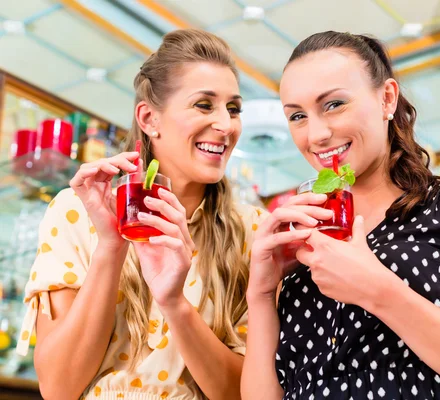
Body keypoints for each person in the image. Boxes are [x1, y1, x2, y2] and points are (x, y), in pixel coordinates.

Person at [242, 31, 440, 400]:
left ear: (386, 98)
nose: (316, 134)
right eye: (297, 116)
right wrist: (261, 294)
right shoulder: (304, 239)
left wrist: (380, 291)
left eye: (334, 104)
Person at [17, 28, 266, 400]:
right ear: (149, 119)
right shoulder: (76, 210)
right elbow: (57, 388)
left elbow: (245, 393)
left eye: (233, 108)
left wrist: (176, 305)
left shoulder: (253, 229)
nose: (226, 125)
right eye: (204, 104)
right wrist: (111, 245)